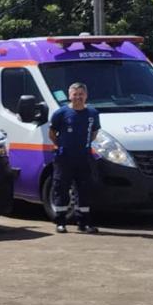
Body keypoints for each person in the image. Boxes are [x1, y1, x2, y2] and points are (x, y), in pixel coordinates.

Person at [48, 82, 101, 234]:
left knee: (84, 189)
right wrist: (61, 145)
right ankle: (60, 222)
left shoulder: (92, 113)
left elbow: (94, 133)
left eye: (81, 94)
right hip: (64, 158)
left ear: (86, 96)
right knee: (61, 188)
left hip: (84, 157)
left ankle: (84, 223)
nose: (78, 97)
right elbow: (52, 133)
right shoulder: (61, 113)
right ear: (69, 96)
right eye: (75, 94)